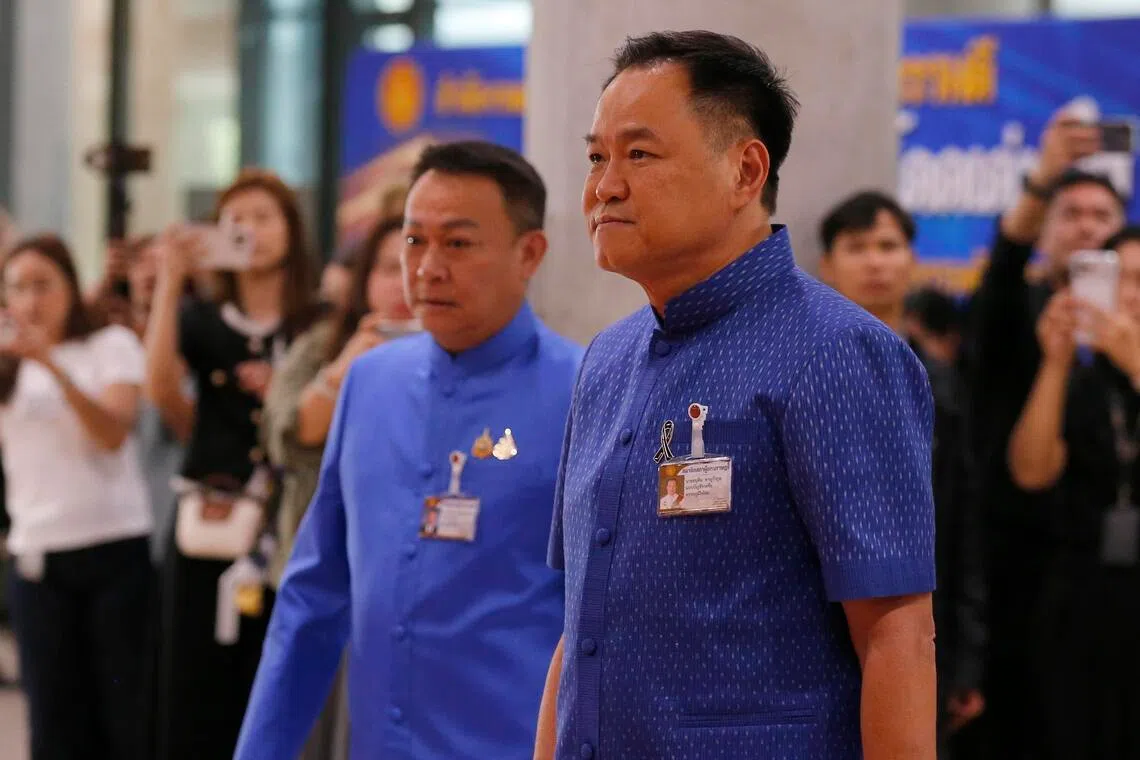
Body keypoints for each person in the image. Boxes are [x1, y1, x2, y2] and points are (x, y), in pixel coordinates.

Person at [537, 31, 937, 760]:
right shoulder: (606, 358)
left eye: (639, 154)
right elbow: (579, 634)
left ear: (745, 171)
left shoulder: (836, 352)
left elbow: (896, 632)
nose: (604, 186)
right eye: (597, 156)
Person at [235, 141, 582, 759]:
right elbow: (312, 596)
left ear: (529, 253)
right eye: (414, 240)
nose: (426, 267)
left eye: (458, 242)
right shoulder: (369, 382)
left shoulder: (584, 392)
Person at [966, 106, 1126, 759]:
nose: (1087, 227)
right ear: (1048, 232)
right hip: (1022, 571)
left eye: (1102, 217)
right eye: (1072, 215)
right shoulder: (1021, 311)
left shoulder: (1132, 329)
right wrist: (1042, 181)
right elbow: (1002, 271)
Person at [144, 168, 318, 760]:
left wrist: (284, 392)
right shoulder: (200, 321)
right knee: (190, 684)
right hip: (209, 522)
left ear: (292, 232)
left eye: (264, 217)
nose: (249, 231)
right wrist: (170, 283)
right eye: (234, 220)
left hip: (288, 526)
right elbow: (162, 393)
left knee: (271, 680)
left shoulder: (316, 323)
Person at [819, 192, 987, 757]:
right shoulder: (803, 375)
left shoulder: (942, 384)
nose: (874, 262)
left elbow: (965, 526)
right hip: (817, 635)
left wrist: (968, 659)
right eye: (857, 247)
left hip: (922, 634)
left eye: (888, 246)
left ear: (912, 261)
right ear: (827, 265)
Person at [258, 214, 415, 759]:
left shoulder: (456, 358)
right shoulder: (325, 344)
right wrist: (350, 363)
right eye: (383, 268)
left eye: (409, 265)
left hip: (409, 590)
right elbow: (289, 433)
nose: (402, 281)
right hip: (322, 578)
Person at [0, 234, 153, 759]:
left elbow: (112, 433)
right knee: (52, 720)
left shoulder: (110, 345)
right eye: (18, 287)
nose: (32, 300)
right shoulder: (7, 366)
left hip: (114, 550)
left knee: (122, 716)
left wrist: (53, 366)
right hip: (39, 557)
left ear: (71, 285)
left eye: (43, 284)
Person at [1007, 225, 1140, 760]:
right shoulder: (1078, 377)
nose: (1130, 295)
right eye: (1120, 279)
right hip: (1080, 597)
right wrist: (1055, 363)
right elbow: (1031, 472)